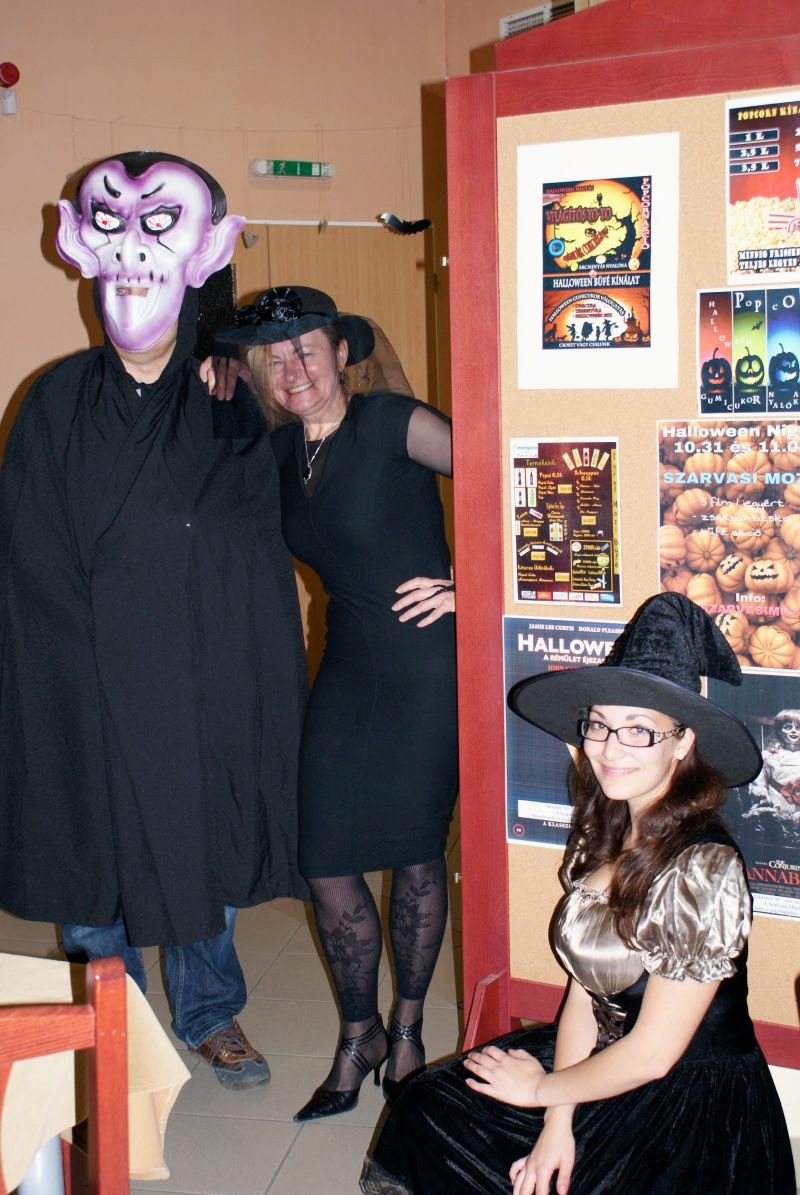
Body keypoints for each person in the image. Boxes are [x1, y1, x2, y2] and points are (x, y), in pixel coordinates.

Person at [0, 154, 308, 1089]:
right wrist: (72, 669)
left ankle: (210, 1010)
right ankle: (114, 1026)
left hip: (194, 679)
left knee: (198, 850)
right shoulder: (55, 400)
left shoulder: (227, 398)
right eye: (113, 233)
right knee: (93, 859)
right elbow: (26, 553)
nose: (134, 259)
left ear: (201, 257)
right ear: (82, 251)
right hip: (88, 676)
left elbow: (262, 536)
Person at [360, 593, 796, 1194]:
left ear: (683, 741)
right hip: (601, 1055)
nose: (610, 749)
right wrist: (555, 1121)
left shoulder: (702, 869)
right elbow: (583, 996)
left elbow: (653, 1055)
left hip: (683, 1102)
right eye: (599, 724)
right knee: (432, 1105)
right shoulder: (609, 824)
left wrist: (541, 1089)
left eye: (639, 730)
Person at [210, 285, 458, 1118]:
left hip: (426, 667)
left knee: (416, 852)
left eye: (307, 350)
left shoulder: (390, 421)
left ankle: (408, 1029)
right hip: (348, 666)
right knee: (323, 856)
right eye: (274, 358)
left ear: (342, 353)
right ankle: (362, 1033)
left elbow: (518, 470)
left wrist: (475, 582)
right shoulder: (282, 452)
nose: (293, 369)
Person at [743, 708, 800, 832]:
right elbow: (760, 781)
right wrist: (762, 793)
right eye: (788, 727)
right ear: (779, 731)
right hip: (778, 803)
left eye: (798, 728)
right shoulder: (769, 756)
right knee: (775, 825)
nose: (793, 731)